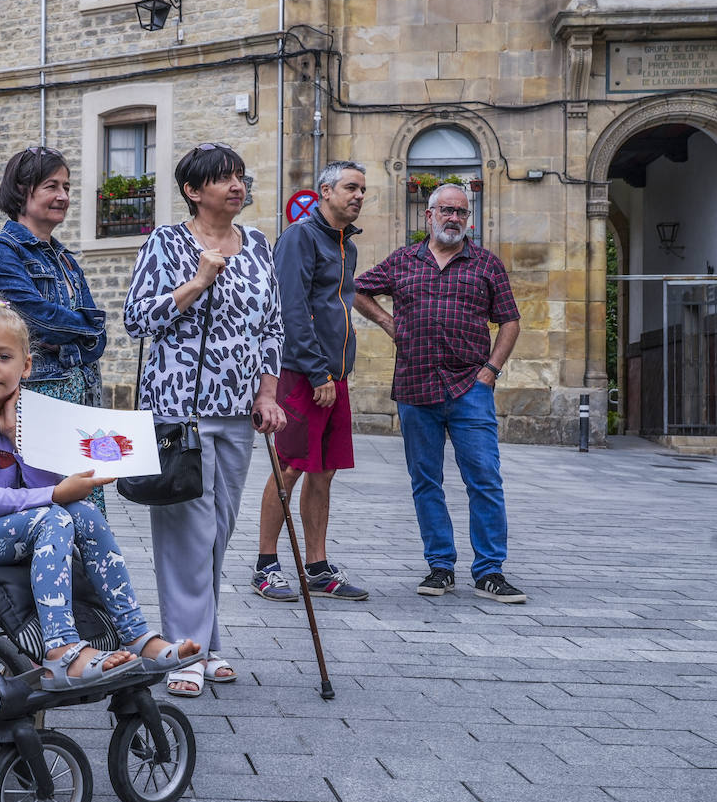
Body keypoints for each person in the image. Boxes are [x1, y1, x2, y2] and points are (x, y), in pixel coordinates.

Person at [0, 300, 198, 687]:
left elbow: (37, 488)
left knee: (82, 511)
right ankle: (61, 649)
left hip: (5, 528)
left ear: (26, 366)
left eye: (3, 357)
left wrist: (12, 436)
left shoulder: (28, 419)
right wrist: (56, 493)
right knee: (54, 511)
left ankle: (136, 634)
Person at [123, 142, 285, 698]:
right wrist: (196, 282)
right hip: (178, 411)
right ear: (194, 191)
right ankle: (184, 649)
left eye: (241, 176)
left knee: (217, 532)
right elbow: (136, 318)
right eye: (224, 178)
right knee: (187, 533)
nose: (237, 186)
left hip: (239, 411)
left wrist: (268, 393)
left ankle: (205, 639)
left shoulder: (260, 245)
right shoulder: (166, 242)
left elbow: (272, 328)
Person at [354, 183, 526, 602]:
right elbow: (357, 290)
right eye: (446, 211)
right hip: (415, 386)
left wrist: (491, 371)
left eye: (462, 213)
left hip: (471, 387)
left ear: (468, 220)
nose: (454, 218)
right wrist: (389, 323)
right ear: (428, 216)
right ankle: (440, 567)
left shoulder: (486, 264)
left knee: (484, 479)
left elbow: (510, 322)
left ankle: (489, 571)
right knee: (425, 480)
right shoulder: (403, 261)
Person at [252, 160, 371, 604]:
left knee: (324, 471)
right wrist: (317, 369)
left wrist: (336, 373)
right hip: (303, 374)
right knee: (289, 466)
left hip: (333, 377)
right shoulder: (301, 236)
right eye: (350, 188)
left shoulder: (347, 245)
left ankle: (317, 567)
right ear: (325, 191)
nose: (358, 196)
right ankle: (266, 565)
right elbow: (290, 308)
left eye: (362, 189)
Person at [0, 147, 108, 509]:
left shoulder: (65, 258)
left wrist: (79, 331)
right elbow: (33, 320)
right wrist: (84, 329)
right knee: (45, 510)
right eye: (51, 186)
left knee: (88, 517)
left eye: (66, 186)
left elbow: (99, 336)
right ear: (21, 189)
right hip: (33, 403)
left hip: (79, 400)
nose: (63, 196)